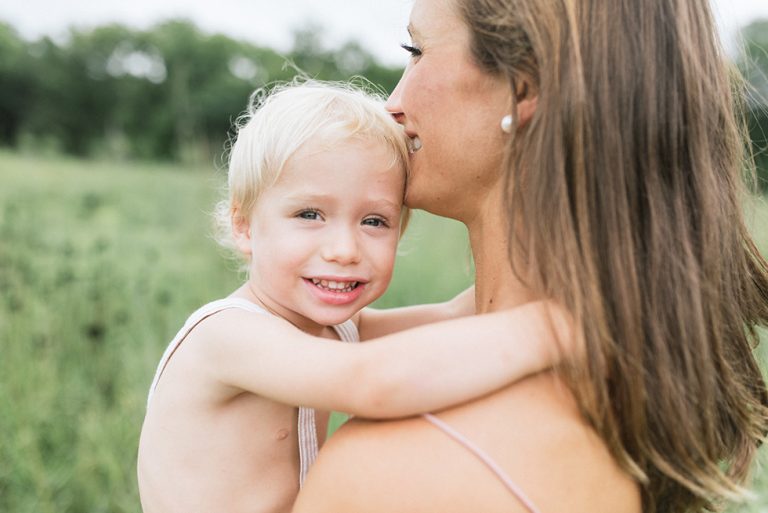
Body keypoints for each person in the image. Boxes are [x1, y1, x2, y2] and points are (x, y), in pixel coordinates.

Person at [291, 1, 768, 512]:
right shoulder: (618, 392)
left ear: (524, 86)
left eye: (417, 50)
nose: (393, 103)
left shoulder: (394, 473)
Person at [136, 82, 566, 513]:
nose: (344, 249)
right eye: (310, 215)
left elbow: (456, 313)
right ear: (245, 226)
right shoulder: (227, 335)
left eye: (374, 221)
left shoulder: (339, 329)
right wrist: (555, 330)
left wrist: (568, 274)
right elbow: (372, 383)